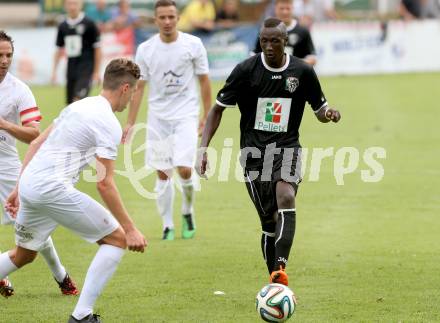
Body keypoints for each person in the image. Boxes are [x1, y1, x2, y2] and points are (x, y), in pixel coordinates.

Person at [198, 18, 341, 291]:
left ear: (285, 41)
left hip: (287, 147)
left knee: (286, 195)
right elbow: (217, 109)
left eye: (275, 40)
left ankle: (280, 270)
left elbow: (319, 110)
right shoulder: (245, 71)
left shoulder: (302, 72)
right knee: (269, 222)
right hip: (253, 154)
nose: (269, 46)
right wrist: (203, 149)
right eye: (264, 40)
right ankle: (275, 280)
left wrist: (329, 114)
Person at [2, 58, 147, 323]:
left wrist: (19, 187)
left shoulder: (79, 105)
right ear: (125, 88)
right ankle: (82, 316)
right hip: (51, 188)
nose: (132, 99)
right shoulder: (109, 123)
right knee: (116, 241)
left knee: (23, 255)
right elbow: (104, 183)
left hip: (32, 183)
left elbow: (35, 145)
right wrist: (130, 228)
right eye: (135, 91)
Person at [122, 0, 212, 241]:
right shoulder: (146, 50)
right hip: (158, 118)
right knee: (163, 173)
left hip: (186, 115)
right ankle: (167, 224)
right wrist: (130, 122)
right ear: (156, 20)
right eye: (162, 17)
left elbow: (204, 81)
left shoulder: (193, 45)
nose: (167, 21)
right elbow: (139, 88)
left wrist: (207, 115)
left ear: (178, 18)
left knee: (183, 168)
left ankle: (187, 210)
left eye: (171, 17)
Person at [0, 30, 78, 298]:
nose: (4, 60)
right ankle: (2, 276)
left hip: (6, 166)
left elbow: (34, 133)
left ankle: (61, 275)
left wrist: (4, 124)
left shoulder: (18, 90)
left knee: (31, 227)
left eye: (8, 55)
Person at [52, 0, 102, 104]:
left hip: (86, 69)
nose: (72, 7)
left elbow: (97, 49)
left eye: (75, 3)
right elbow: (59, 49)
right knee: (70, 105)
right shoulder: (63, 26)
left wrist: (97, 72)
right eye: (69, 4)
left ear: (81, 5)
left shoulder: (89, 24)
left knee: (78, 100)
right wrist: (54, 72)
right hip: (71, 69)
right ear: (65, 5)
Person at [254, 0, 317, 66]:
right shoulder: (265, 31)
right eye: (281, 9)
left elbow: (312, 59)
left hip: (295, 75)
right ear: (275, 9)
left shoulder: (303, 31)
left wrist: (291, 64)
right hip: (271, 75)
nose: (285, 12)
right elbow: (255, 57)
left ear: (293, 8)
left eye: (288, 8)